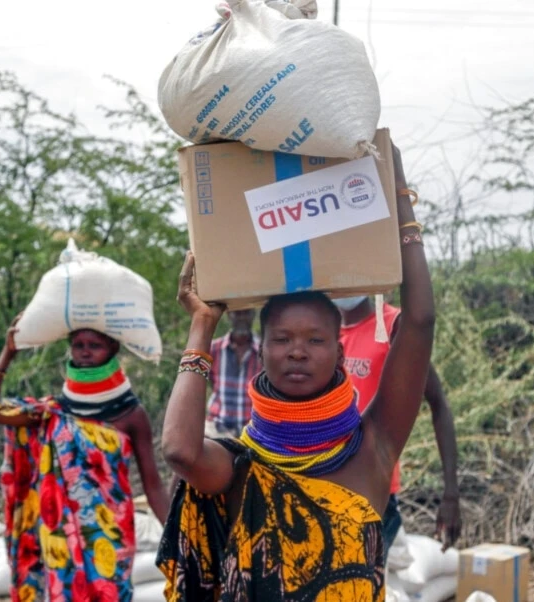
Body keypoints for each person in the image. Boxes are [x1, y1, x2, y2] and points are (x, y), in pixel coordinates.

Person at [159, 142, 433, 601]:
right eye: (282, 339)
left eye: (315, 340)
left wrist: (398, 193)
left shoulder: (374, 446)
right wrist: (203, 323)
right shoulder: (241, 466)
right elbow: (180, 452)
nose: (298, 352)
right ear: (261, 351)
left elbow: (420, 322)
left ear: (341, 353)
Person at [0, 324, 171, 602]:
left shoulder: (131, 414)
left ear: (113, 348)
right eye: (79, 345)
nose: (86, 353)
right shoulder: (53, 412)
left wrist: (177, 537)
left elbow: (153, 486)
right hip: (61, 537)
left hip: (111, 535)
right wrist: (8, 352)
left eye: (95, 345)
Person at [333, 295, 462, 549]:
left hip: (374, 491)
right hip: (325, 482)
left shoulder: (392, 326)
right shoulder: (321, 329)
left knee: (362, 582)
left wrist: (451, 494)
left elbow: (438, 404)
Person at [204, 309, 261, 439]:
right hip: (217, 427)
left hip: (253, 430)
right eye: (237, 313)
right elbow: (211, 382)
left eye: (246, 313)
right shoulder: (214, 349)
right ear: (229, 315)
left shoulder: (264, 351)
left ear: (253, 315)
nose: (242, 318)